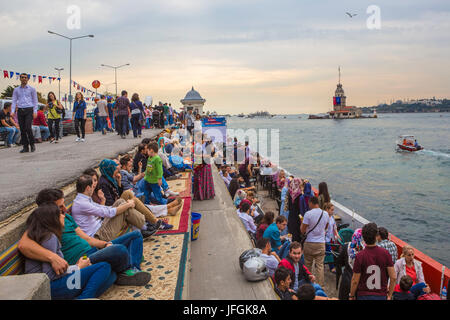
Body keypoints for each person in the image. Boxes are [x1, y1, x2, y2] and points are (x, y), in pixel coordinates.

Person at [18, 188, 151, 288]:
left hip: (92, 251)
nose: (65, 209)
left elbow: (87, 239)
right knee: (119, 251)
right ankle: (126, 270)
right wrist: (52, 257)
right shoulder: (42, 222)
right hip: (80, 259)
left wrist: (104, 245)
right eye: (60, 207)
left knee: (135, 236)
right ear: (48, 208)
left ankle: (130, 271)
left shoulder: (66, 217)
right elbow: (23, 244)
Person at [23, 203, 116, 300]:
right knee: (104, 266)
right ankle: (84, 297)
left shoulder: (47, 235)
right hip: (50, 288)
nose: (64, 216)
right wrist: (78, 267)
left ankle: (81, 295)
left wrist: (76, 267)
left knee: (111, 276)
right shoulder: (49, 238)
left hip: (55, 284)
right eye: (60, 214)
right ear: (52, 219)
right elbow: (49, 277)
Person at [71, 174, 159, 241]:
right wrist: (128, 205)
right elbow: (107, 213)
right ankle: (145, 228)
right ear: (87, 188)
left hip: (101, 226)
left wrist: (123, 204)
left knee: (120, 202)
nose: (94, 187)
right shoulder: (82, 203)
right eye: (92, 186)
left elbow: (104, 209)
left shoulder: (84, 199)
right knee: (125, 208)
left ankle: (144, 226)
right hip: (99, 235)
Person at [97, 159, 173, 231]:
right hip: (112, 209)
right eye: (115, 168)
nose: (117, 169)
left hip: (125, 197)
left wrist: (119, 182)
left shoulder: (111, 178)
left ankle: (154, 219)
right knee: (133, 200)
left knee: (131, 196)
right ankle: (154, 220)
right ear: (109, 169)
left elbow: (120, 193)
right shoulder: (104, 183)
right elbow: (110, 204)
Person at [349, 222, 396, 300]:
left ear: (363, 238)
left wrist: (352, 295)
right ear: (376, 237)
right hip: (381, 295)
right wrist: (389, 295)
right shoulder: (385, 254)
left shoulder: (360, 256)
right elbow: (393, 277)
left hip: (363, 295)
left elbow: (355, 280)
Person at [300, 196, 329, 288]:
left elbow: (302, 230)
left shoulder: (308, 214)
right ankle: (320, 286)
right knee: (320, 266)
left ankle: (308, 285)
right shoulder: (325, 214)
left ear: (311, 203)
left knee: (308, 264)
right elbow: (326, 227)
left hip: (309, 242)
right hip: (321, 243)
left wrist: (302, 222)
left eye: (309, 204)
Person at [11, 73, 38, 153]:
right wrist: (12, 111)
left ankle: (32, 144)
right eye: (22, 77)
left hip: (29, 109)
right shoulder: (16, 90)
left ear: (28, 79)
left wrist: (35, 111)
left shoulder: (32, 89)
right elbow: (14, 101)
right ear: (20, 79)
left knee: (28, 128)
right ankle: (25, 147)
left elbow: (35, 101)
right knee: (22, 130)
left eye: (25, 77)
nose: (24, 79)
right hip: (20, 110)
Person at [323, 202, 341, 273]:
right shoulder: (324, 217)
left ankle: (323, 263)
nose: (333, 211)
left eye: (333, 210)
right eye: (332, 210)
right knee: (329, 252)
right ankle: (332, 267)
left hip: (330, 237)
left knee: (327, 252)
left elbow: (334, 227)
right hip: (324, 238)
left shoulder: (332, 217)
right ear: (327, 209)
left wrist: (337, 235)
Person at [288, 177, 303, 243]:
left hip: (291, 214)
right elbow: (300, 207)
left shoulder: (290, 192)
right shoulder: (300, 195)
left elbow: (289, 206)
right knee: (297, 231)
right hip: (297, 215)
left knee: (291, 230)